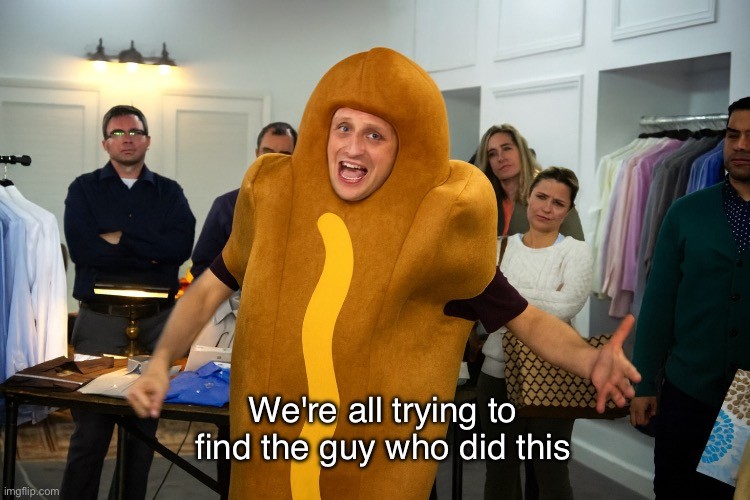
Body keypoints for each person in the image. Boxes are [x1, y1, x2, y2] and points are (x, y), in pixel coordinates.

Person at [127, 48, 639, 499]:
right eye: (344, 128)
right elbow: (208, 290)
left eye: (374, 135)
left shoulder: (435, 235)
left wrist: (588, 360)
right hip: (269, 456)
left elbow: (525, 320)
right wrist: (162, 360)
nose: (353, 148)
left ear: (403, 148)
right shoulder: (277, 203)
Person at [62, 104, 195, 500]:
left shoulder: (169, 192)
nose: (127, 139)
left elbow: (179, 249)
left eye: (134, 132)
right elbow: (84, 250)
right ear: (105, 143)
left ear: (148, 140)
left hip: (156, 324)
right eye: (117, 133)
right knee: (90, 435)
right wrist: (151, 253)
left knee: (141, 437)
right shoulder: (84, 189)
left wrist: (120, 239)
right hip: (99, 323)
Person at [629, 96, 750, 499]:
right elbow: (658, 304)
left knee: (725, 492)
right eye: (733, 134)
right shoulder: (686, 212)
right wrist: (644, 382)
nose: (741, 145)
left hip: (745, 399)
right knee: (676, 490)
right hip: (688, 388)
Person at [476, 167, 593, 500]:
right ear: (528, 197)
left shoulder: (577, 252)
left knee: (550, 474)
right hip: (496, 377)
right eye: (542, 197)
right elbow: (484, 306)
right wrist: (541, 296)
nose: (547, 208)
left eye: (558, 203)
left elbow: (566, 305)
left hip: (553, 376)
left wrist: (504, 296)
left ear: (568, 211)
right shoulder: (497, 248)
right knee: (500, 473)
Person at [190, 121, 297, 278]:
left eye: (284, 155)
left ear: (296, 158)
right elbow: (202, 268)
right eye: (267, 153)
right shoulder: (226, 206)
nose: (273, 160)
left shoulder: (307, 209)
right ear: (257, 154)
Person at [474, 124, 584, 239]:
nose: (501, 158)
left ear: (521, 151)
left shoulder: (551, 193)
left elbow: (577, 243)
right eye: (492, 154)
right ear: (487, 162)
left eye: (507, 148)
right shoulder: (485, 203)